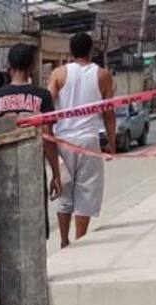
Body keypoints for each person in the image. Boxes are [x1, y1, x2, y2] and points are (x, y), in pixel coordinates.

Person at [0, 43, 63, 305]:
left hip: (2, 175)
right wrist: (55, 173)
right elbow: (48, 138)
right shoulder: (41, 97)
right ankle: (33, 287)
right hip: (32, 173)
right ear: (33, 67)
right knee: (34, 231)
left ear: (8, 67)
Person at [48, 31, 115, 247]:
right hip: (89, 141)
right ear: (91, 51)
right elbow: (108, 113)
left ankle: (64, 240)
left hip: (63, 141)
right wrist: (111, 141)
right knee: (86, 190)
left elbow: (46, 106)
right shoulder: (103, 75)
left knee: (64, 191)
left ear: (71, 51)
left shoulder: (58, 74)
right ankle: (80, 239)